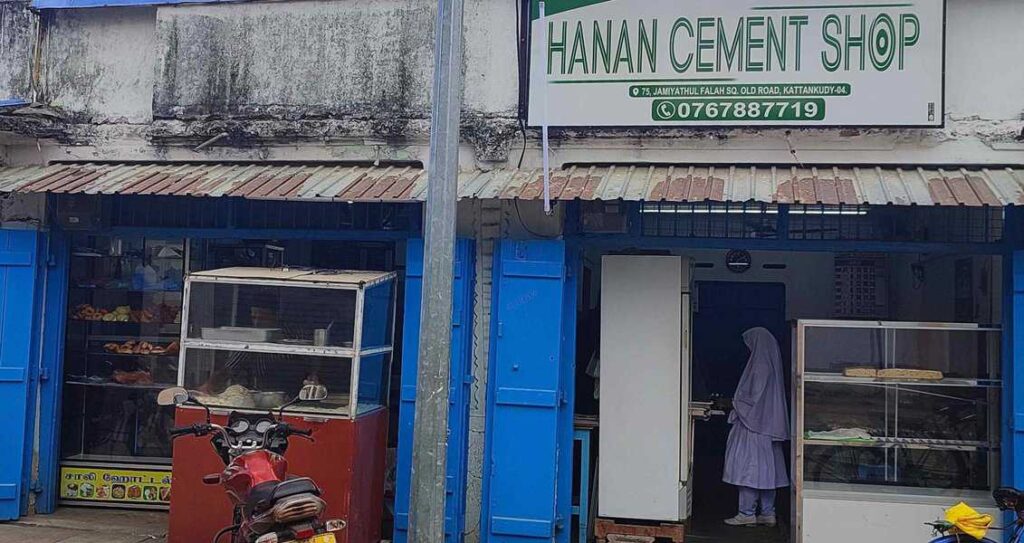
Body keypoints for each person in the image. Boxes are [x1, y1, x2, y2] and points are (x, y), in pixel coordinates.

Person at [723, 327, 790, 528]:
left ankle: (746, 513)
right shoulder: (771, 365)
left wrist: (733, 403)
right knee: (769, 474)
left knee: (748, 472)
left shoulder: (759, 366)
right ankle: (768, 513)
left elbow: (753, 399)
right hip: (769, 428)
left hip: (753, 427)